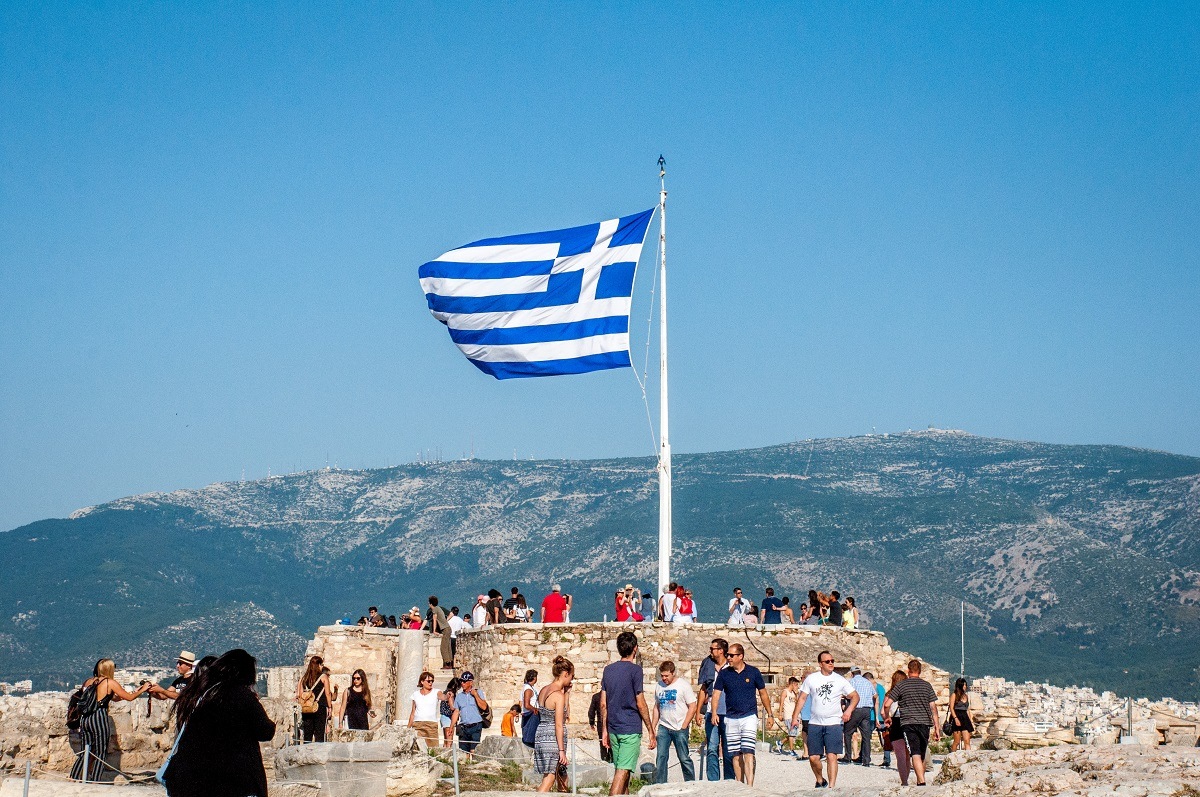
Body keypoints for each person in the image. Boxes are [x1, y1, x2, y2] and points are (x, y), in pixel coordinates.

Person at [160, 649, 275, 797]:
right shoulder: (242, 695)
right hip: (233, 779)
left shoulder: (205, 695)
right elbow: (265, 731)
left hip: (194, 777)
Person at [70, 659, 151, 780]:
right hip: (99, 718)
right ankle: (96, 780)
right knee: (100, 751)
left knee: (85, 751)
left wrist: (134, 691)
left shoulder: (88, 682)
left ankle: (74, 777)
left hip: (85, 719)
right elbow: (129, 698)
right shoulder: (110, 682)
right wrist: (143, 689)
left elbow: (112, 698)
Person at [599, 631, 656, 795]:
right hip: (630, 728)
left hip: (614, 728)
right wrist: (651, 730)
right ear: (635, 649)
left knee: (623, 774)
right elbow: (641, 702)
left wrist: (604, 730)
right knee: (622, 772)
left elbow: (603, 704)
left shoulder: (608, 670)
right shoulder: (635, 671)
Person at [710, 643, 772, 786]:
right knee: (735, 755)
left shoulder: (753, 672)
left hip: (749, 716)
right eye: (728, 655)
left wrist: (770, 714)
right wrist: (714, 712)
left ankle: (749, 786)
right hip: (731, 717)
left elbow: (763, 693)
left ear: (741, 656)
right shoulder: (724, 674)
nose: (728, 658)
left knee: (748, 751)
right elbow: (716, 694)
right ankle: (740, 785)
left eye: (731, 655)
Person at [793, 650, 857, 789]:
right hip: (815, 722)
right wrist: (795, 717)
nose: (831, 663)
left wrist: (848, 710)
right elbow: (802, 698)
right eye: (827, 661)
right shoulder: (812, 679)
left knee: (831, 755)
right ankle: (820, 779)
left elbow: (855, 696)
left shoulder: (840, 680)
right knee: (813, 757)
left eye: (832, 661)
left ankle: (832, 787)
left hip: (834, 722)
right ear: (820, 664)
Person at [882, 660, 940, 787]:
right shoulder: (927, 686)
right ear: (920, 671)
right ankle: (920, 780)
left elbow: (886, 705)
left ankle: (922, 783)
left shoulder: (902, 685)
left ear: (908, 670)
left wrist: (887, 718)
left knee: (915, 753)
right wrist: (937, 727)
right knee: (921, 753)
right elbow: (933, 708)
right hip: (925, 723)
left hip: (908, 723)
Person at [652, 661, 698, 782]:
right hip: (664, 726)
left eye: (666, 676)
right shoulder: (659, 686)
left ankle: (690, 783)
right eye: (662, 675)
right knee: (661, 757)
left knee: (683, 758)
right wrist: (653, 727)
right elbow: (657, 707)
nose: (664, 678)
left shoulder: (683, 685)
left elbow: (692, 706)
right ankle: (661, 785)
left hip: (679, 727)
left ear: (673, 673)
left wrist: (684, 725)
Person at [534, 656, 575, 793]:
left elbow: (562, 715)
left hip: (541, 734)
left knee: (561, 774)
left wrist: (567, 694)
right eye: (571, 676)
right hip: (553, 738)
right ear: (565, 674)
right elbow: (559, 723)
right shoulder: (558, 695)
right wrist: (562, 751)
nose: (572, 680)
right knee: (550, 778)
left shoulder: (544, 690)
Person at [697, 637, 733, 781]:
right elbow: (703, 689)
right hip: (712, 712)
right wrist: (699, 711)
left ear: (721, 651)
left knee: (728, 749)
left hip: (729, 712)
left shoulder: (731, 665)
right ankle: (713, 781)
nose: (710, 651)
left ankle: (730, 780)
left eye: (713, 649)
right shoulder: (708, 664)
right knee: (712, 748)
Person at [842, 666, 875, 766]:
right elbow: (875, 695)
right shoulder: (868, 682)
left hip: (855, 709)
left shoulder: (851, 682)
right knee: (866, 735)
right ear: (860, 673)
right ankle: (866, 760)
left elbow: (847, 694)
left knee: (848, 732)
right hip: (866, 710)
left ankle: (847, 756)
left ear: (852, 674)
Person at [451, 671, 489, 757]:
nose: (462, 683)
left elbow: (484, 707)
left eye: (464, 681)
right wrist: (451, 727)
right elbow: (456, 711)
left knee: (474, 750)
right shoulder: (459, 696)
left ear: (471, 682)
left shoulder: (478, 692)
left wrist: (475, 695)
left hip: (476, 725)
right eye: (461, 681)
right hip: (464, 727)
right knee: (464, 753)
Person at [296, 655, 333, 743]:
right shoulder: (324, 677)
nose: (322, 666)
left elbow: (300, 694)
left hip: (307, 708)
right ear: (319, 665)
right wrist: (330, 707)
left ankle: (306, 753)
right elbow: (327, 694)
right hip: (320, 706)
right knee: (319, 734)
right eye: (321, 664)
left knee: (307, 734)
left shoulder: (304, 678)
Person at [882, 670, 910, 784]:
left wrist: (887, 718)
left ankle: (904, 781)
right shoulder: (907, 693)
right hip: (908, 721)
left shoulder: (889, 694)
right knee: (908, 754)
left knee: (900, 756)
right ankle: (907, 778)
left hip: (895, 723)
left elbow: (883, 711)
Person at [405, 671, 439, 746]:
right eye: (429, 681)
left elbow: (443, 696)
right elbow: (413, 712)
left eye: (432, 681)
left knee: (433, 748)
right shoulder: (415, 694)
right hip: (418, 724)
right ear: (422, 681)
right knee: (418, 748)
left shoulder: (436, 692)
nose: (431, 683)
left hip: (431, 724)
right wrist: (408, 728)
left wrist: (447, 696)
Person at [867, 672, 891, 768]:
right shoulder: (881, 687)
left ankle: (865, 757)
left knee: (867, 736)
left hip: (873, 716)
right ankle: (887, 759)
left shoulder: (872, 688)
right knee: (885, 738)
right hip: (883, 716)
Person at [777, 676, 801, 757]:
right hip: (788, 715)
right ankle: (791, 750)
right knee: (791, 733)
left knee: (793, 733)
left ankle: (781, 742)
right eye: (796, 684)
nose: (797, 686)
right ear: (793, 684)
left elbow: (797, 703)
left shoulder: (793, 693)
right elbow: (781, 703)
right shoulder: (785, 692)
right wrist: (780, 714)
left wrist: (797, 693)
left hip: (794, 715)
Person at [427, 596, 452, 668]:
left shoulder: (435, 609)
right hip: (447, 628)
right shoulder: (439, 608)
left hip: (445, 629)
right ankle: (450, 663)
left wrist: (434, 630)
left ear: (431, 604)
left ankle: (446, 663)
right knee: (447, 646)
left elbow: (435, 619)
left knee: (443, 647)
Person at [951, 677, 974, 751]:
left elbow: (967, 709)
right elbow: (951, 708)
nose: (965, 686)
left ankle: (968, 757)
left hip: (965, 717)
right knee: (957, 741)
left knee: (967, 740)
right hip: (957, 716)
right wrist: (955, 718)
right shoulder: (954, 695)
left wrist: (970, 720)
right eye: (963, 685)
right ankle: (952, 757)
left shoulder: (966, 696)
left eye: (965, 685)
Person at [520, 669, 540, 748]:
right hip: (531, 715)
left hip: (531, 714)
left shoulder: (529, 687)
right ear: (534, 678)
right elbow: (527, 705)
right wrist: (535, 709)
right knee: (531, 738)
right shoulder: (528, 689)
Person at [440, 678, 460, 747]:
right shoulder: (450, 693)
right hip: (448, 717)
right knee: (449, 741)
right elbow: (452, 707)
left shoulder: (445, 692)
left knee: (445, 741)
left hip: (443, 717)